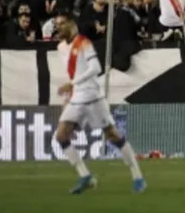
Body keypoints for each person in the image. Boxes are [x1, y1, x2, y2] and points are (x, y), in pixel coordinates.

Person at [52, 12, 146, 194]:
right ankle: (85, 176)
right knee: (61, 136)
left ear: (72, 25)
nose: (59, 27)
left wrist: (71, 84)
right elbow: (74, 72)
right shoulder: (61, 48)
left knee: (113, 135)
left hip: (93, 96)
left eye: (62, 23)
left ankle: (138, 176)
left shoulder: (84, 43)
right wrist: (71, 91)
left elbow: (95, 68)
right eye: (57, 24)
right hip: (77, 97)